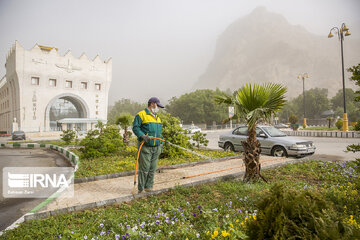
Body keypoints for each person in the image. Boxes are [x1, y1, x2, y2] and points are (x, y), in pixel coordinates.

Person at [132, 97, 164, 193]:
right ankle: (141, 188)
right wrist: (142, 135)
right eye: (157, 105)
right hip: (146, 147)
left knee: (152, 168)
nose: (158, 107)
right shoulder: (141, 115)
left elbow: (159, 133)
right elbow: (135, 128)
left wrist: (161, 144)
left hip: (156, 147)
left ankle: (149, 187)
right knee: (144, 168)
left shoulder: (157, 117)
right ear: (152, 104)